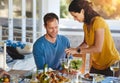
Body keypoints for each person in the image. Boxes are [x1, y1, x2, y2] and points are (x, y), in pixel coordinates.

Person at [65, 0, 120, 76]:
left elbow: (98, 48)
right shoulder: (86, 25)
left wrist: (76, 50)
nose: (74, 19)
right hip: (96, 65)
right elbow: (85, 43)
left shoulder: (98, 22)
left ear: (82, 11)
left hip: (111, 65)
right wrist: (72, 51)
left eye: (75, 16)